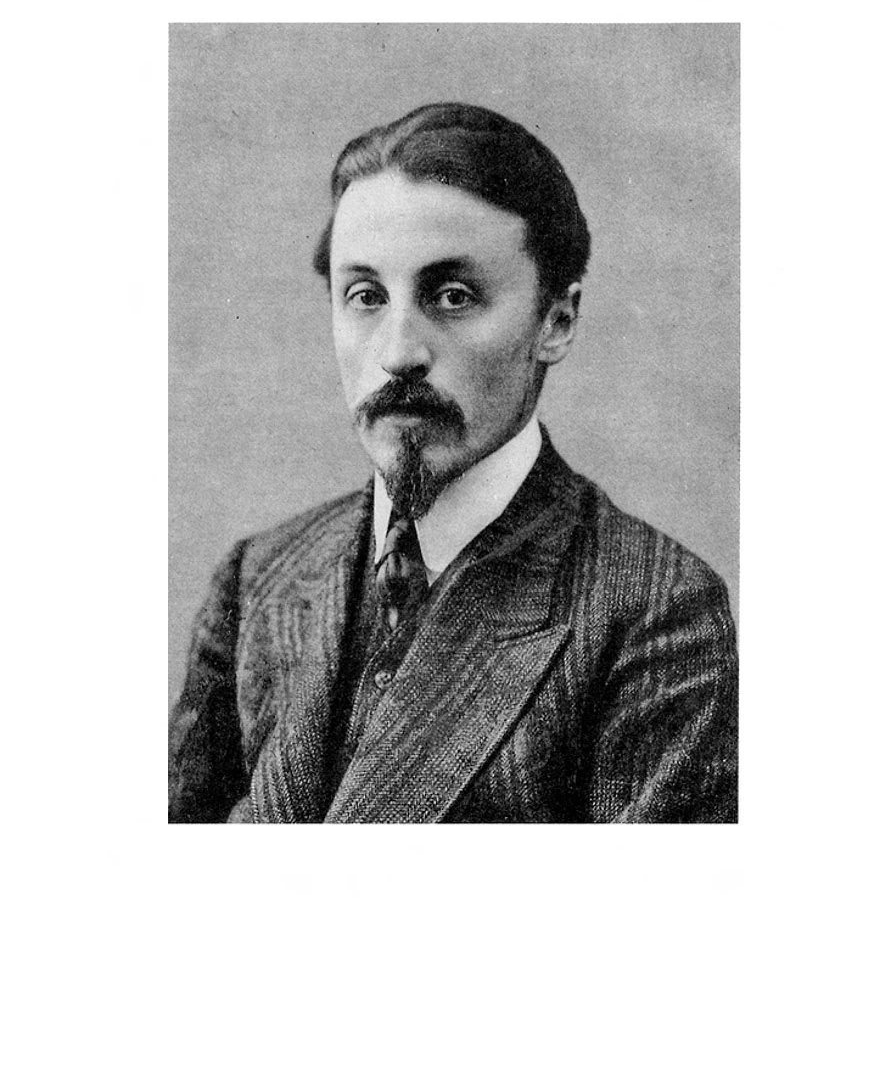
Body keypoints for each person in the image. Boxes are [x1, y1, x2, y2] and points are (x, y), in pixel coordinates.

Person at [169, 102, 738, 823]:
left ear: (556, 321)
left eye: (452, 296)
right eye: (365, 296)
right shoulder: (258, 577)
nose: (398, 352)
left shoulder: (654, 611)